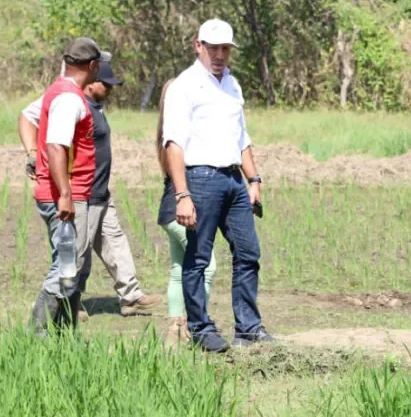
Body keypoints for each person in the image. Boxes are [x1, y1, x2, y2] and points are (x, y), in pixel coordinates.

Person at [159, 18, 274, 353]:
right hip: (200, 178)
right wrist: (182, 195)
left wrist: (253, 179)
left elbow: (242, 138)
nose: (220, 54)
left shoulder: (232, 85)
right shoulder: (184, 86)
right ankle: (201, 329)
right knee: (198, 258)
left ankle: (248, 328)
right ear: (199, 46)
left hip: (233, 180)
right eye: (214, 48)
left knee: (249, 252)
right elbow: (173, 144)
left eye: (225, 48)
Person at [20, 60, 164, 322]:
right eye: (106, 84)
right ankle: (58, 310)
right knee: (75, 256)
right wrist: (32, 154)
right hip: (78, 193)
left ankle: (130, 296)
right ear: (91, 81)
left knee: (113, 239)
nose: (110, 90)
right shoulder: (69, 101)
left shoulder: (94, 105)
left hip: (99, 190)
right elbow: (33, 123)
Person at [29, 36, 107, 335]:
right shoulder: (69, 98)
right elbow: (56, 146)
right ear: (93, 65)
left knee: (68, 264)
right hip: (64, 197)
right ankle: (37, 334)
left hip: (70, 193)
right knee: (66, 264)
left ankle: (62, 334)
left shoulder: (61, 91)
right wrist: (65, 195)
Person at [155, 77, 217, 345]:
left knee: (180, 267)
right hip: (180, 210)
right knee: (207, 266)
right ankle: (195, 323)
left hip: (168, 210)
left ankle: (175, 327)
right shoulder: (180, 140)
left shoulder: (165, 137)